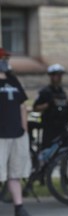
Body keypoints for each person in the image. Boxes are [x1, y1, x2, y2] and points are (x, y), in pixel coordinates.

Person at [0, 48, 32, 216]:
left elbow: (22, 105)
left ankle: (19, 207)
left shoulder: (13, 80)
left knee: (15, 173)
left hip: (17, 134)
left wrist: (24, 130)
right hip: (1, 136)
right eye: (3, 58)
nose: (6, 61)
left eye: (7, 58)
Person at [33, 64, 68, 150]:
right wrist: (48, 104)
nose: (59, 77)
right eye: (57, 75)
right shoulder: (45, 91)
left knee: (64, 149)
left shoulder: (62, 91)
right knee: (48, 149)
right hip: (50, 126)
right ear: (51, 76)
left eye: (61, 75)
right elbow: (35, 107)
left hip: (62, 126)